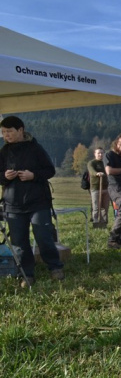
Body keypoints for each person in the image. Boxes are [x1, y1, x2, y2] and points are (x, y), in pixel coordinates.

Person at [0, 116, 64, 287]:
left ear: (21, 130)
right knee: (19, 242)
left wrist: (33, 175)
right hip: (13, 204)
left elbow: (50, 170)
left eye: (9, 131)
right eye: (4, 132)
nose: (6, 135)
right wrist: (5, 177)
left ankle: (55, 267)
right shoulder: (4, 152)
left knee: (43, 237)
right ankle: (27, 274)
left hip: (38, 202)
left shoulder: (35, 148)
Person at [87, 147, 109, 229]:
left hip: (106, 188)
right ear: (95, 154)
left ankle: (103, 224)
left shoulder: (105, 163)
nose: (100, 154)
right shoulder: (91, 163)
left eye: (102, 153)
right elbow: (91, 171)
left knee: (105, 207)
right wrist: (97, 173)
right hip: (96, 188)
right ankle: (95, 223)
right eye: (98, 153)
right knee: (96, 207)